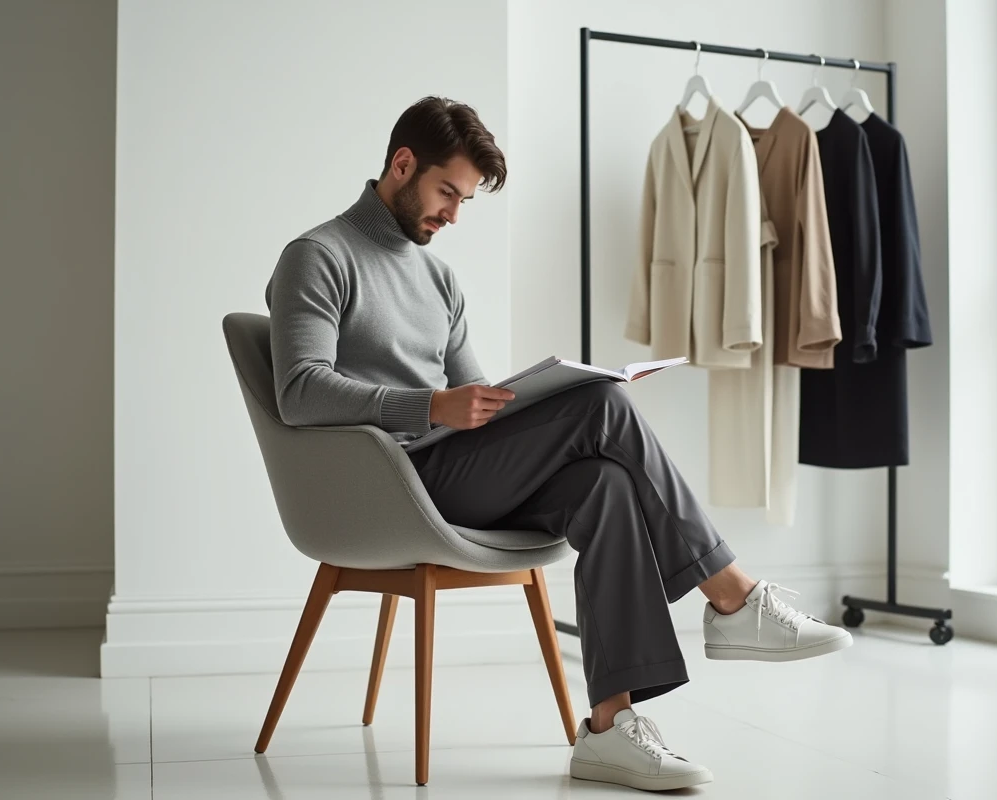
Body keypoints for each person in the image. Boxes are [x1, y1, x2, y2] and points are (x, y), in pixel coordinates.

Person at [265, 96, 853, 792]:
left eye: (466, 200)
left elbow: (472, 395)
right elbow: (300, 392)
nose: (453, 213)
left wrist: (515, 399)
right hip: (393, 484)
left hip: (455, 470)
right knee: (602, 404)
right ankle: (730, 596)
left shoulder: (438, 278)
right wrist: (430, 406)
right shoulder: (319, 256)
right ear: (401, 165)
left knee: (603, 482)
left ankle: (609, 729)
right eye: (446, 192)